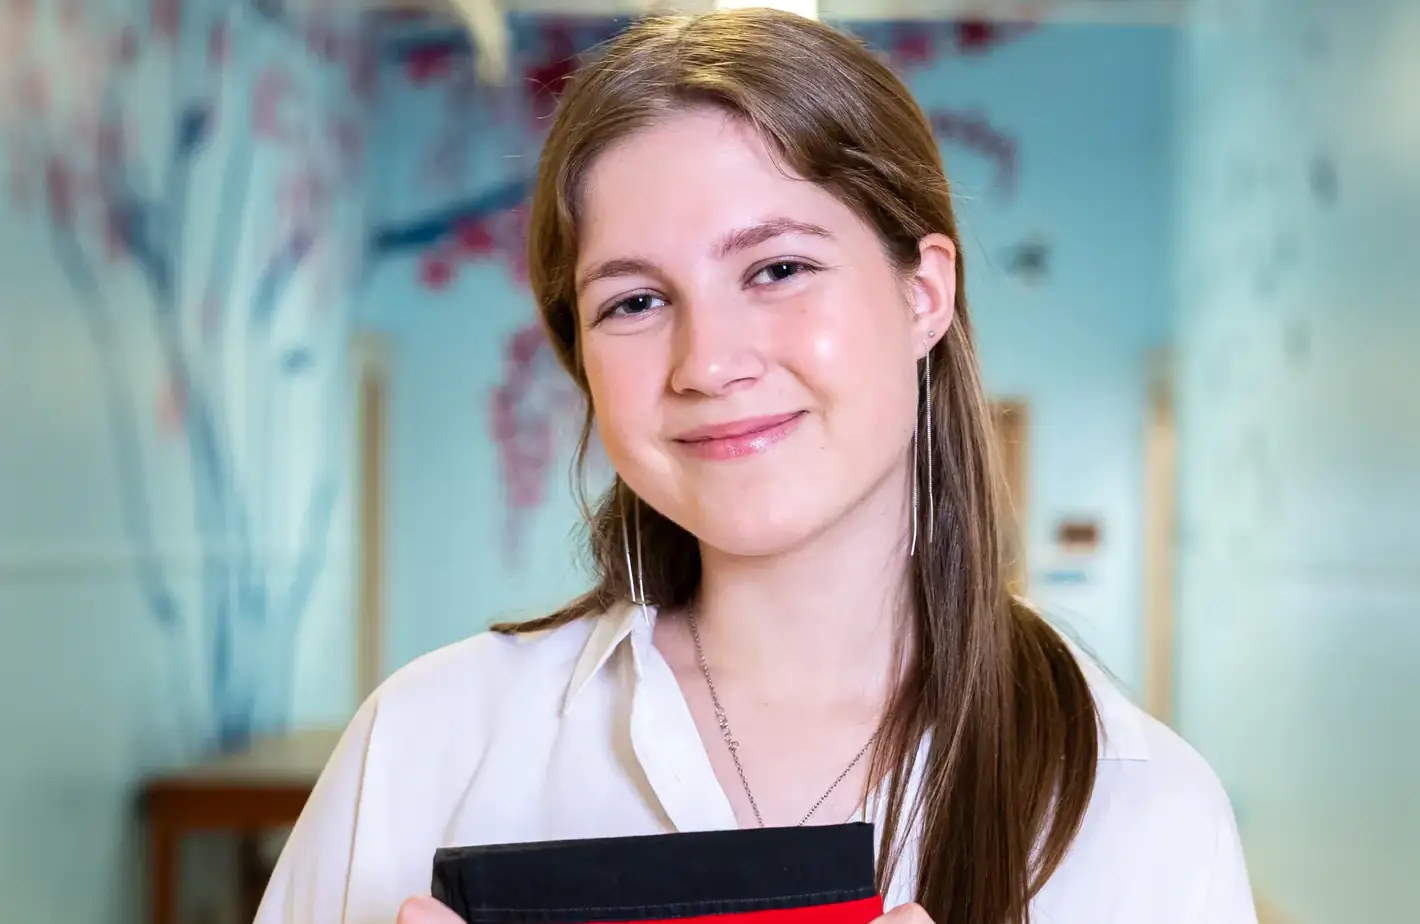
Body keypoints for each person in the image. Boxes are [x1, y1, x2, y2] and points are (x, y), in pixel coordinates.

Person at [253, 9, 1256, 924]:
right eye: (634, 302)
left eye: (777, 268)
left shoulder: (1138, 809)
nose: (708, 362)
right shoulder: (427, 743)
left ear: (923, 294)